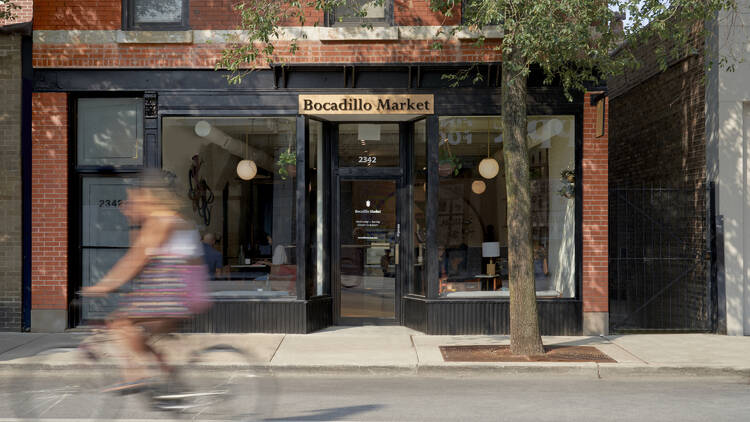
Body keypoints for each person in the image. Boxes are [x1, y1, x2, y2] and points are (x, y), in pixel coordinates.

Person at [83, 172, 210, 393]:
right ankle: (169, 379)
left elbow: (135, 260)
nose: (134, 202)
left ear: (150, 195)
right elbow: (144, 255)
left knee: (120, 322)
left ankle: (137, 375)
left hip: (171, 295)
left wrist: (104, 286)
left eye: (136, 196)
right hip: (181, 293)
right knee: (136, 331)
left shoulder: (162, 220)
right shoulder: (177, 220)